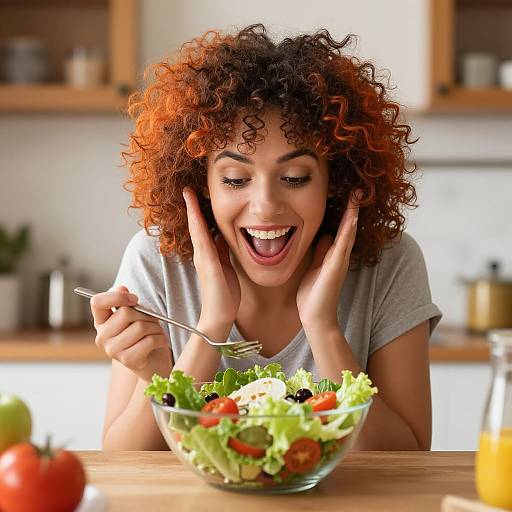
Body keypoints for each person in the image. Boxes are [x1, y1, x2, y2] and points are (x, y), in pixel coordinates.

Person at [90, 24, 442, 451]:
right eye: (236, 179)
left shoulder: (389, 263)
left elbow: (408, 457)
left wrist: (324, 329)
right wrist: (210, 328)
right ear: (202, 184)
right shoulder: (155, 260)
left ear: (335, 178)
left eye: (295, 177)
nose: (265, 207)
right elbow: (123, 460)